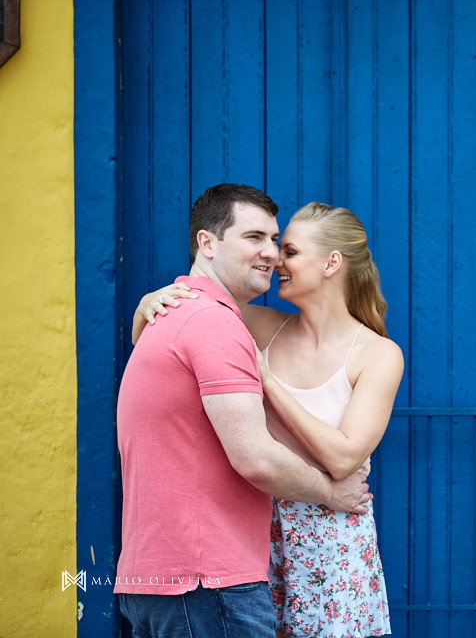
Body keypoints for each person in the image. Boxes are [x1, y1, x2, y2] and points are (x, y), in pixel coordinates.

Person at [136, 202, 403, 638]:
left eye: (290, 250)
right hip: (253, 535)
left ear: (332, 263)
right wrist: (148, 303)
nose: (276, 258)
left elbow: (344, 457)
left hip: (330, 547)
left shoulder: (377, 355)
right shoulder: (258, 323)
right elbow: (167, 328)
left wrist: (268, 382)